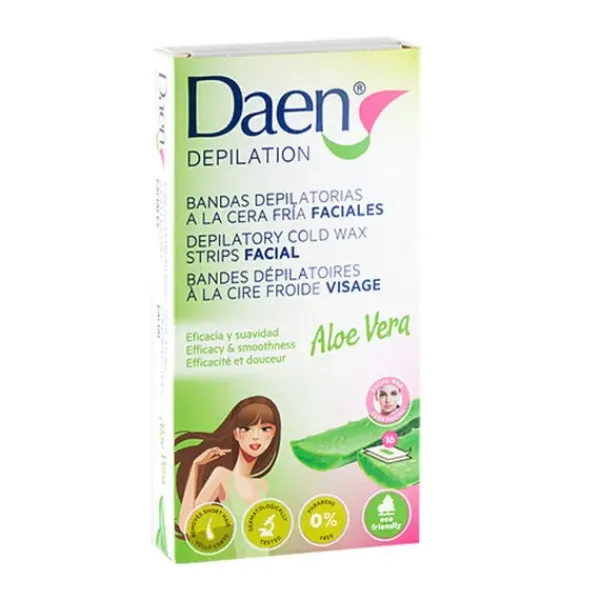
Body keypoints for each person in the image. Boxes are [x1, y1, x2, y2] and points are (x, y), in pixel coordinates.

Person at [174, 395, 281, 556]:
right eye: (246, 428)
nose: (256, 436)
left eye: (265, 429)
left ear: (274, 433)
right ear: (236, 434)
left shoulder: (263, 485)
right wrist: (196, 466)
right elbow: (188, 526)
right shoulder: (222, 476)